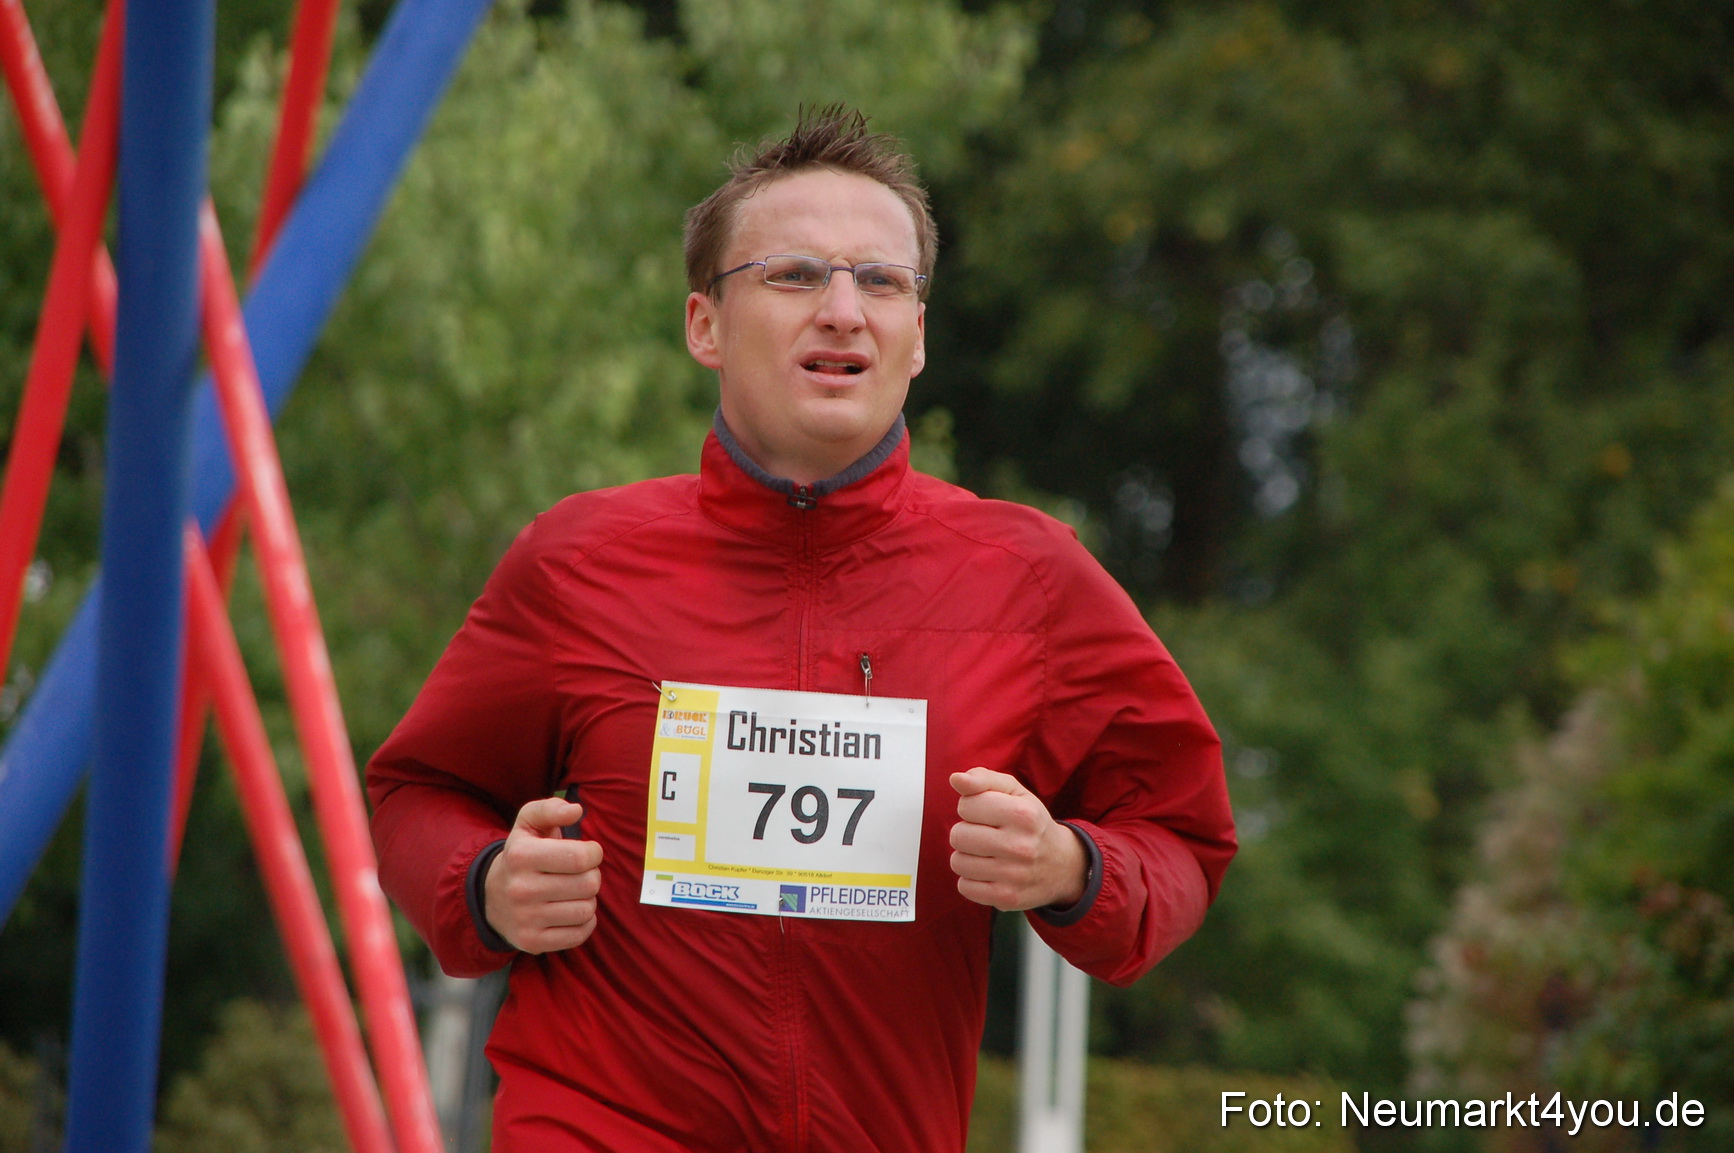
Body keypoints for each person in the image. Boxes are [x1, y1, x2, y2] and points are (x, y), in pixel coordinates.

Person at [368, 105, 1236, 1153]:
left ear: (919, 338)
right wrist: (485, 885)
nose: (842, 309)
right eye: (792, 275)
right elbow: (417, 792)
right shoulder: (577, 560)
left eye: (881, 281)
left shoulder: (1030, 577)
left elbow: (1182, 835)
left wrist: (1071, 868)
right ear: (704, 325)